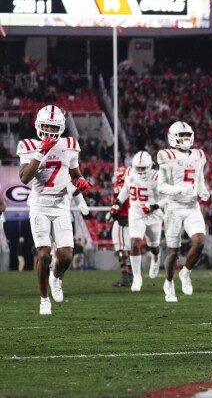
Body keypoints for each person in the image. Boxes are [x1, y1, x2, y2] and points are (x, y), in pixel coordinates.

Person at [16, 104, 92, 315]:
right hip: (40, 205)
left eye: (53, 127)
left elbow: (75, 174)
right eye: (46, 126)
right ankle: (44, 299)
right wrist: (41, 152)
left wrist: (81, 181)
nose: (49, 131)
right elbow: (24, 178)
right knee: (44, 254)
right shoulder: (29, 144)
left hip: (61, 206)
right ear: (39, 125)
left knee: (66, 256)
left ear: (61, 127)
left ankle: (56, 278)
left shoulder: (70, 144)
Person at [157, 121, 210, 303]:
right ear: (173, 137)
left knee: (200, 241)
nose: (186, 139)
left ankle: (185, 272)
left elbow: (200, 179)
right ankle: (169, 282)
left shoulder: (199, 155)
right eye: (182, 136)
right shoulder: (166, 155)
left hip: (192, 206)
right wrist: (178, 189)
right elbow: (161, 186)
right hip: (174, 207)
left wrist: (203, 190)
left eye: (188, 136)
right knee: (173, 252)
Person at [112, 151, 163, 292]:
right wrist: (118, 203)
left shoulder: (157, 176)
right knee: (134, 243)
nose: (140, 171)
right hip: (136, 214)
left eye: (142, 168)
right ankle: (136, 277)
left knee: (154, 246)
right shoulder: (129, 172)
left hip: (153, 216)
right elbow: (125, 189)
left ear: (150, 165)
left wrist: (153, 206)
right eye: (138, 168)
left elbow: (166, 199)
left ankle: (156, 258)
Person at [106, 166, 132, 288]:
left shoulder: (120, 186)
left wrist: (111, 214)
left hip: (122, 219)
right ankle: (131, 275)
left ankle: (125, 276)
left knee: (121, 248)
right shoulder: (132, 184)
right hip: (131, 219)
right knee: (127, 248)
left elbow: (119, 204)